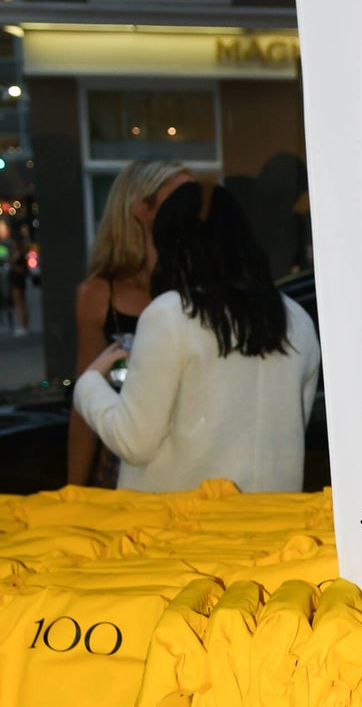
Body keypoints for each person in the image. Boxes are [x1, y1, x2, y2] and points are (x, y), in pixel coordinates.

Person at [72, 181, 319, 494]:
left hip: (182, 529)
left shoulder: (171, 315)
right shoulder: (297, 320)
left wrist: (89, 384)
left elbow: (133, 440)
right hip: (270, 527)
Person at [69, 159, 194, 486]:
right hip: (125, 462)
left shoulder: (199, 286)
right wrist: (74, 493)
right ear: (142, 208)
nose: (192, 208)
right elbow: (85, 401)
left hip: (195, 457)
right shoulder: (99, 294)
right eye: (180, 198)